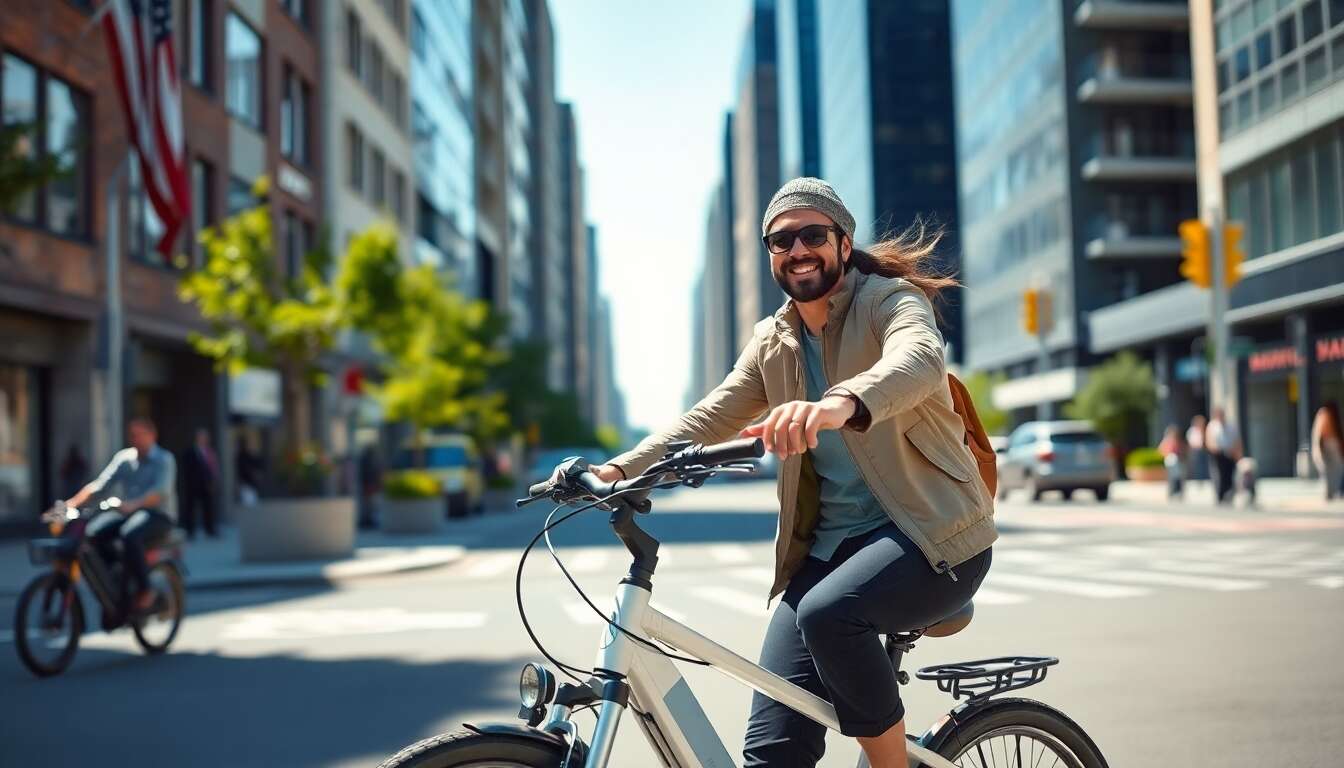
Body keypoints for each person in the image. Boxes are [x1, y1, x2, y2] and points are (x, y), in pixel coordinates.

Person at [582, 178, 995, 768]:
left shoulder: (892, 301)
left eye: (813, 235)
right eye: (782, 240)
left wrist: (838, 403)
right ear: (770, 254)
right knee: (773, 753)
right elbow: (710, 416)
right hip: (830, 556)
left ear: (843, 245)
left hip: (935, 540)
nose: (798, 249)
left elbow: (919, 361)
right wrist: (618, 467)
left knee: (830, 614)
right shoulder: (773, 342)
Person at [59, 418, 177, 613]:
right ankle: (116, 577)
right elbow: (99, 485)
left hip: (157, 515)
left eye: (140, 435)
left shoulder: (164, 459)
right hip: (128, 513)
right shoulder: (125, 458)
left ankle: (145, 590)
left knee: (130, 535)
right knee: (93, 533)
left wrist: (134, 505)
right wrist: (68, 505)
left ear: (152, 435)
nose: (135, 439)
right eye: (132, 435)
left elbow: (160, 492)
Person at [181, 428, 219, 538]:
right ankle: (190, 531)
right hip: (193, 485)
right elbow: (187, 469)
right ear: (197, 438)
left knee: (208, 508)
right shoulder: (190, 452)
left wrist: (213, 481)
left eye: (206, 437)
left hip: (206, 484)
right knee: (190, 508)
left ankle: (210, 529)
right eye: (202, 436)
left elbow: (213, 468)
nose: (204, 439)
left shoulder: (210, 452)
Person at [1206, 407, 1242, 505]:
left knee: (1229, 474)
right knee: (1219, 475)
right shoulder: (1212, 426)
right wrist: (1214, 449)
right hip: (1218, 454)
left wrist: (1237, 453)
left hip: (1230, 453)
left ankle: (1229, 494)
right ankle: (1220, 496)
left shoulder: (1232, 426)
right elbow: (1209, 440)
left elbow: (1237, 440)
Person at [1311, 401, 1343, 501]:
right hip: (1327, 444)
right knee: (1330, 471)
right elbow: (1318, 433)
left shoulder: (1324, 414)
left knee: (1334, 470)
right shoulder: (1324, 413)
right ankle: (1330, 492)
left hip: (1329, 444)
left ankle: (1333, 492)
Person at [1158, 425, 1186, 500]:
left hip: (1176, 460)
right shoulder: (1167, 440)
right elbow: (1161, 450)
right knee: (1172, 477)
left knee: (1178, 477)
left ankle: (1178, 492)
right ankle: (1172, 492)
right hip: (1170, 460)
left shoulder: (1176, 440)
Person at [1185, 414, 1208, 493]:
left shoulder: (1203, 430)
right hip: (1195, 450)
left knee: (1203, 466)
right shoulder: (1192, 431)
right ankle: (1198, 480)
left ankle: (1203, 479)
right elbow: (1191, 442)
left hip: (1202, 450)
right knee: (1197, 467)